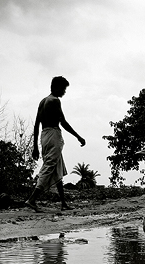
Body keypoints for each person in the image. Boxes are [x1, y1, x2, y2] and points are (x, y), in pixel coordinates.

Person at [25, 76, 86, 212]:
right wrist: (78, 137)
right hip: (53, 135)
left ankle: (63, 203)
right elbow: (63, 122)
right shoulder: (55, 101)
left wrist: (35, 146)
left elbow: (36, 125)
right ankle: (32, 199)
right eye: (63, 89)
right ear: (56, 87)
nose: (64, 92)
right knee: (48, 167)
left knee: (57, 168)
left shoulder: (42, 101)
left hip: (44, 136)